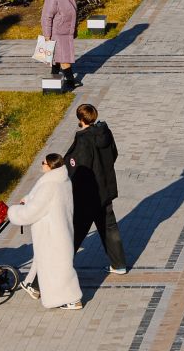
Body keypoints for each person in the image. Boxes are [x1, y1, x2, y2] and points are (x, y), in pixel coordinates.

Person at [9, 152, 82, 310]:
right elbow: (44, 201)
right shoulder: (63, 180)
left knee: (57, 268)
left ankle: (72, 299)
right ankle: (35, 287)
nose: (41, 164)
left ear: (50, 166)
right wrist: (28, 199)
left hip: (50, 233)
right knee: (54, 264)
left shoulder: (49, 185)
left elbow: (32, 212)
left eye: (43, 162)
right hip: (61, 230)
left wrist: (13, 212)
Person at [68, 102, 127, 274]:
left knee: (75, 233)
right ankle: (119, 264)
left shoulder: (83, 140)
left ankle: (57, 268)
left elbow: (78, 168)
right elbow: (114, 153)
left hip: (88, 195)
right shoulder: (105, 132)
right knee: (109, 227)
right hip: (106, 189)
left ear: (80, 119)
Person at [41, 0, 79, 88]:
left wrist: (74, 30)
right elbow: (46, 17)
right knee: (64, 58)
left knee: (57, 56)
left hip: (66, 32)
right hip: (57, 33)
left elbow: (72, 15)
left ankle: (54, 76)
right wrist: (47, 36)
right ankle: (70, 81)